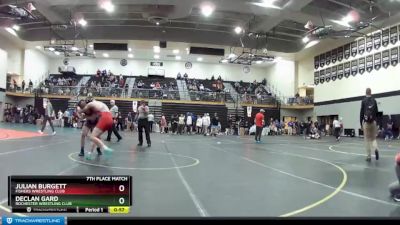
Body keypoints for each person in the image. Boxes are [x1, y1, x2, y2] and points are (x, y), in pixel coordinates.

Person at [360, 88, 379, 162]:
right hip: (373, 122)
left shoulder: (363, 101)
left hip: (366, 123)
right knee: (373, 138)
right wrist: (378, 123)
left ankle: (368, 156)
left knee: (367, 140)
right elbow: (377, 113)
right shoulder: (374, 100)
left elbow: (361, 113)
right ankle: (376, 149)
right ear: (371, 93)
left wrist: (361, 123)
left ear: (366, 93)